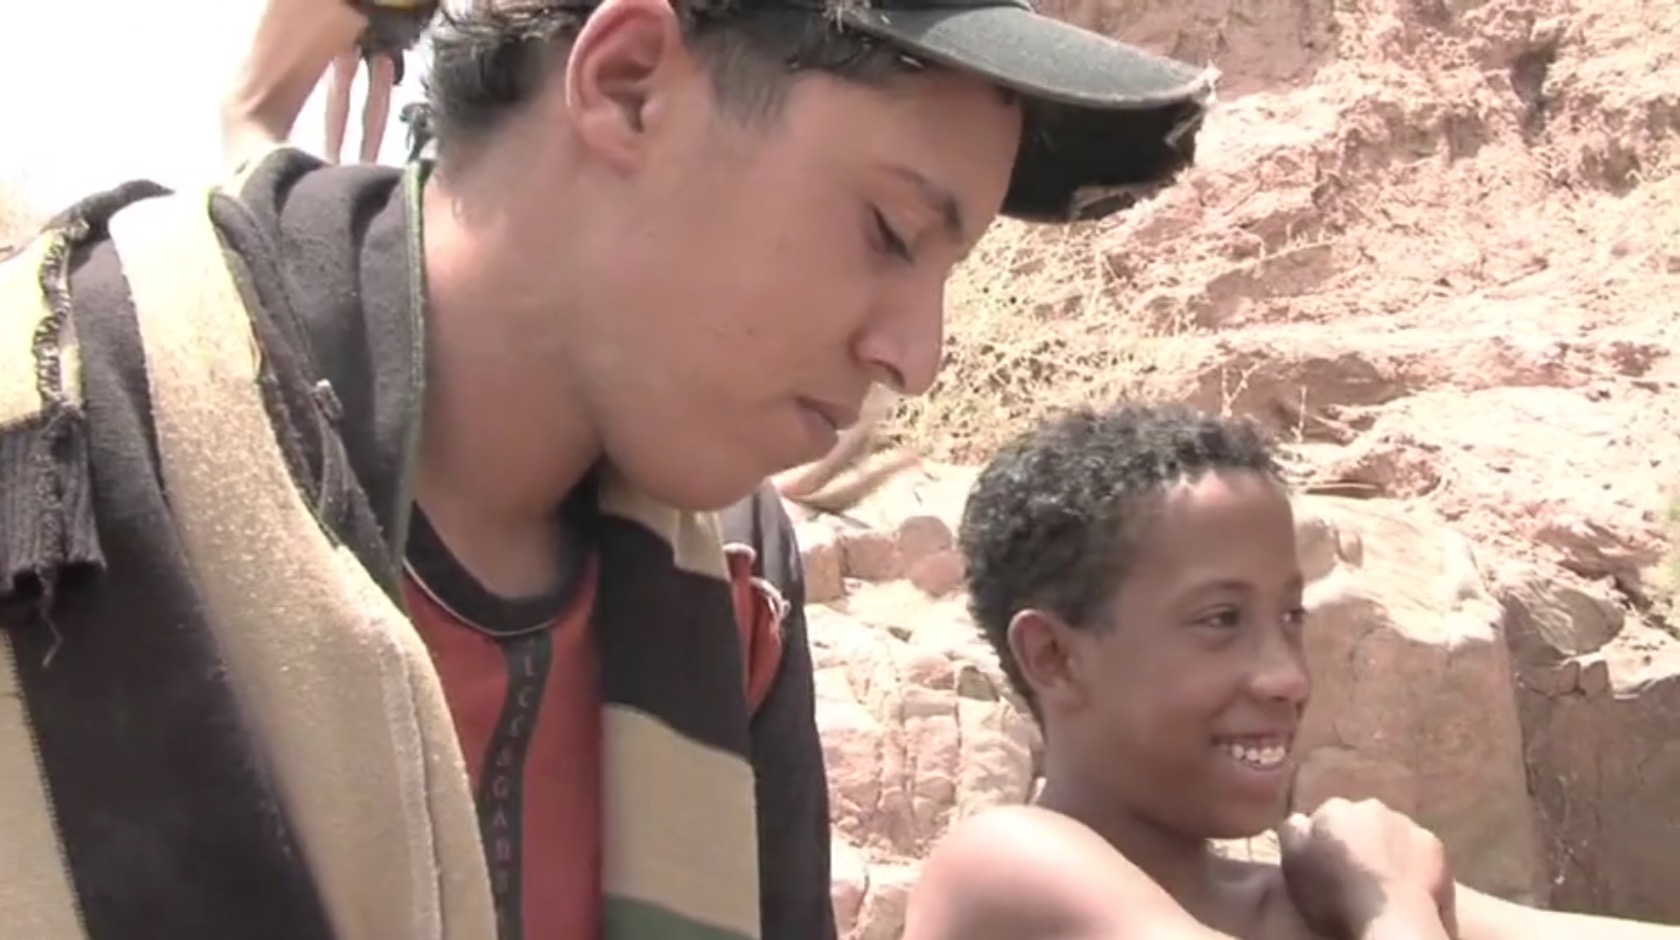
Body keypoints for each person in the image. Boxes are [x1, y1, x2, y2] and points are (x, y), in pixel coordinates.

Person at [1, 0, 1216, 937]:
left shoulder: (734, 580)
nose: (918, 353)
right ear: (628, 84)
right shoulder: (67, 441)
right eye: (891, 233)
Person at [902, 403, 1680, 940]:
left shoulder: (1309, 898)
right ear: (1054, 656)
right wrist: (1395, 904)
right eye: (1220, 620)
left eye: (1291, 617)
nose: (1287, 677)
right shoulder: (1004, 867)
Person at [323, 1, 439, 164]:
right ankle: (330, 156)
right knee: (344, 65)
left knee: (384, 70)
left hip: (394, 9)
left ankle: (368, 161)